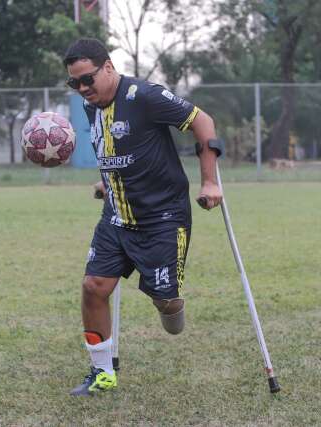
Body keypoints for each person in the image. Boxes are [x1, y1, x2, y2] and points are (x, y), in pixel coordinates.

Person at [62, 38, 223, 396]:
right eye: (74, 84)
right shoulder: (92, 107)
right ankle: (102, 372)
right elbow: (118, 150)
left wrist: (210, 182)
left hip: (162, 217)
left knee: (166, 303)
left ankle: (170, 303)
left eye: (87, 79)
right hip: (116, 216)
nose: (83, 89)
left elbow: (202, 121)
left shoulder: (145, 95)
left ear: (107, 67)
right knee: (93, 287)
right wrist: (107, 181)